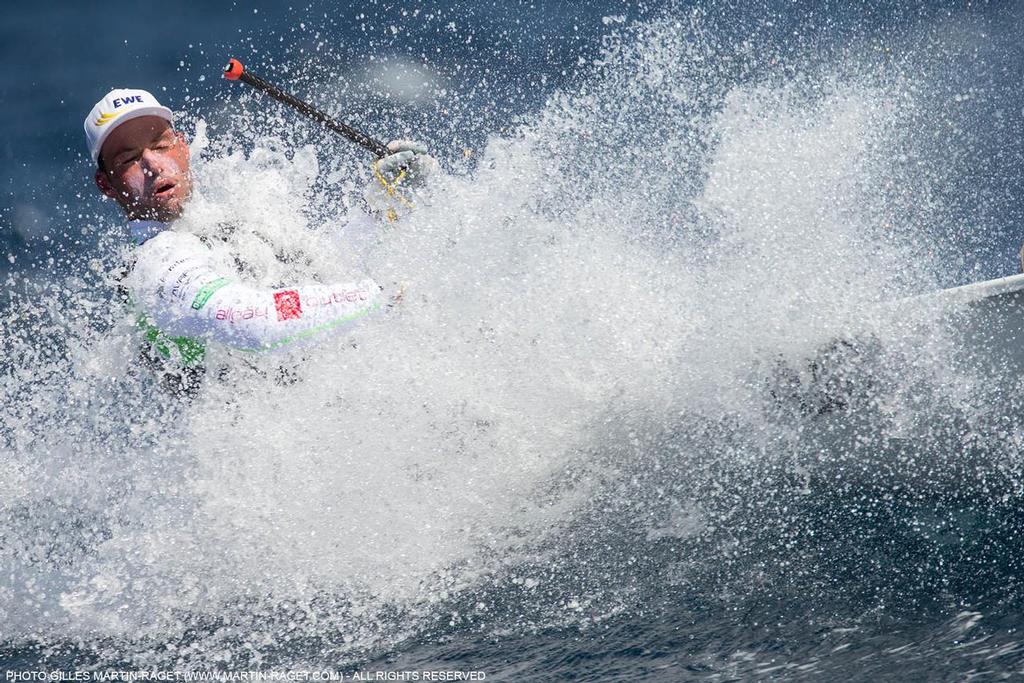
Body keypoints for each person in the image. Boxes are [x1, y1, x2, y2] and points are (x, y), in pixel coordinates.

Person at [85, 88, 435, 391]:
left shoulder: (215, 222)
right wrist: (381, 295)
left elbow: (324, 277)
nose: (153, 165)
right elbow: (253, 320)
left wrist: (381, 206)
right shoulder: (158, 264)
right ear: (106, 185)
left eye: (161, 145)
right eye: (129, 159)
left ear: (183, 148)